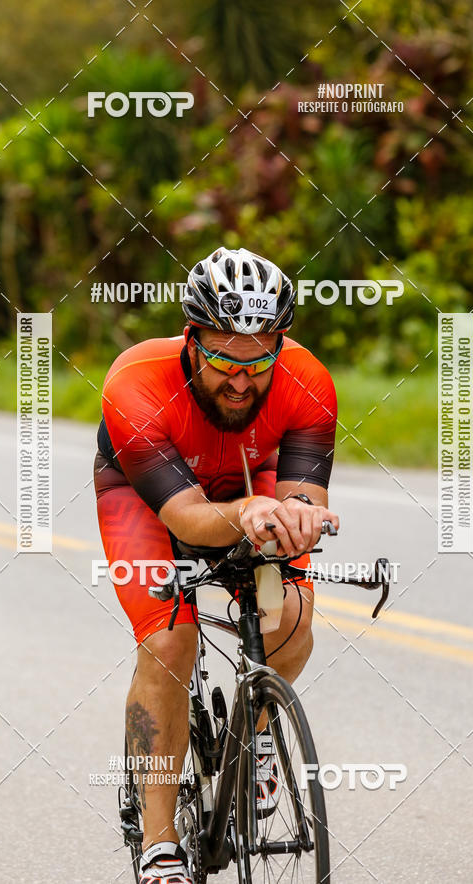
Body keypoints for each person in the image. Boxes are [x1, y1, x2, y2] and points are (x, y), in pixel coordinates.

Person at [94, 246, 339, 884]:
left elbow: (305, 495)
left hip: (248, 479)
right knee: (170, 640)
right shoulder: (136, 382)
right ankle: (158, 842)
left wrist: (302, 515)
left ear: (280, 345)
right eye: (226, 358)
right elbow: (187, 520)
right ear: (193, 339)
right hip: (152, 498)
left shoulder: (307, 380)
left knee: (290, 618)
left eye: (259, 360)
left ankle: (253, 734)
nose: (242, 379)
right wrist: (254, 509)